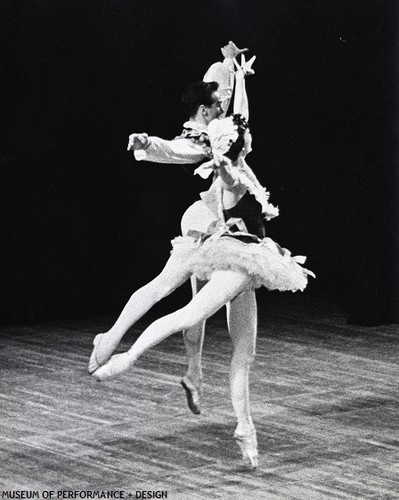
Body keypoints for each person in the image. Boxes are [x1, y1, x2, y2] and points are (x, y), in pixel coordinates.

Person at [90, 114, 314, 469]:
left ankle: (246, 427)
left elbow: (239, 121)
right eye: (246, 133)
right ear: (233, 144)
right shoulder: (232, 176)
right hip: (238, 261)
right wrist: (222, 164)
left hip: (245, 256)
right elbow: (226, 176)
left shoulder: (242, 166)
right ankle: (126, 358)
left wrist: (237, 75)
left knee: (245, 352)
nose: (251, 133)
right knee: (191, 314)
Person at [90, 42, 256, 420]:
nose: (224, 104)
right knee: (171, 290)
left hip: (215, 222)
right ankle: (114, 341)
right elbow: (175, 149)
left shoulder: (218, 124)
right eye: (219, 101)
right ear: (204, 109)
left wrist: (231, 66)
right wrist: (148, 144)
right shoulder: (201, 136)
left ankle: (193, 373)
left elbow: (235, 107)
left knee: (195, 308)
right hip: (204, 222)